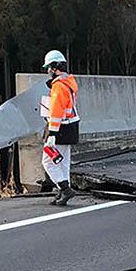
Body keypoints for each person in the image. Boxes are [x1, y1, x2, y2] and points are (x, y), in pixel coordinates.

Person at [41, 50, 80, 206]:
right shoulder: (68, 82)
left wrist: (52, 133)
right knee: (63, 162)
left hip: (61, 129)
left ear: (55, 67)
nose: (48, 71)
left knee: (48, 161)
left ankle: (64, 189)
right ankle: (63, 191)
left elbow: (57, 111)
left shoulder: (58, 86)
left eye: (49, 67)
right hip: (71, 126)